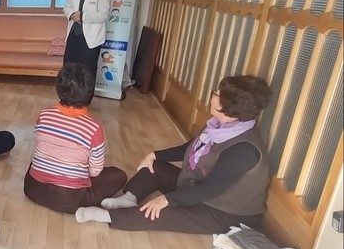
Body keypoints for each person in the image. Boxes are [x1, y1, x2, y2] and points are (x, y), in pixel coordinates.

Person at [77, 75, 272, 235]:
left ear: (228, 107)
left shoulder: (243, 150)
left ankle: (106, 216)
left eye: (217, 94)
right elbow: (190, 147)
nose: (213, 95)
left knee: (159, 212)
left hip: (223, 212)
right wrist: (154, 155)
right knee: (156, 167)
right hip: (199, 184)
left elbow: (210, 189)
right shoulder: (221, 125)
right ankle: (129, 198)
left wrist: (166, 200)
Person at [24, 63, 127, 214]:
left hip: (33, 189)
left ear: (58, 88)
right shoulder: (94, 128)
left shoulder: (44, 114)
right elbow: (95, 172)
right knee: (119, 175)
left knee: (38, 159)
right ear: (90, 93)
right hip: (68, 199)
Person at [62, 0, 111, 76]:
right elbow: (66, 6)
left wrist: (82, 16)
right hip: (73, 34)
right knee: (69, 69)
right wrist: (72, 14)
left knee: (87, 71)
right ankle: (67, 89)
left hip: (90, 38)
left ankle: (85, 90)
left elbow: (103, 15)